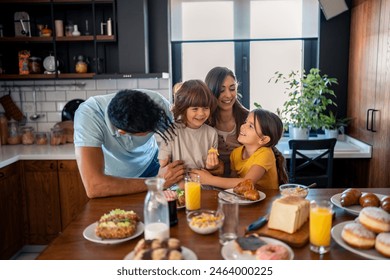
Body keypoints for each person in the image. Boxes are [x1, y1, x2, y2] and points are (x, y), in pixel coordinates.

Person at [73, 89, 186, 198]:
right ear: (122, 132)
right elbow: (94, 187)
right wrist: (158, 182)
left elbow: (182, 138)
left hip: (154, 167)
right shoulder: (88, 116)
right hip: (115, 181)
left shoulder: (156, 104)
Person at [192, 108, 288, 190]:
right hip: (248, 203)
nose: (243, 126)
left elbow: (248, 182)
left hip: (267, 204)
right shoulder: (236, 153)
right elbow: (233, 183)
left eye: (250, 126)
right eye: (245, 122)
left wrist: (209, 179)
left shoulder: (265, 154)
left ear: (263, 139)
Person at [158, 79, 223, 185]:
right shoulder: (171, 131)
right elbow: (163, 163)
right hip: (177, 184)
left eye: (205, 108)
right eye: (195, 109)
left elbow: (210, 167)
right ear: (183, 108)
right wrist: (165, 161)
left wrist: (211, 166)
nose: (201, 113)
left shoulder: (211, 133)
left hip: (202, 183)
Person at [205, 66, 249, 177]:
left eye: (232, 88)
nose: (228, 95)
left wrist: (225, 170)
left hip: (246, 185)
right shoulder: (202, 121)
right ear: (211, 92)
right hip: (212, 188)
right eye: (221, 90)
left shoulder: (249, 120)